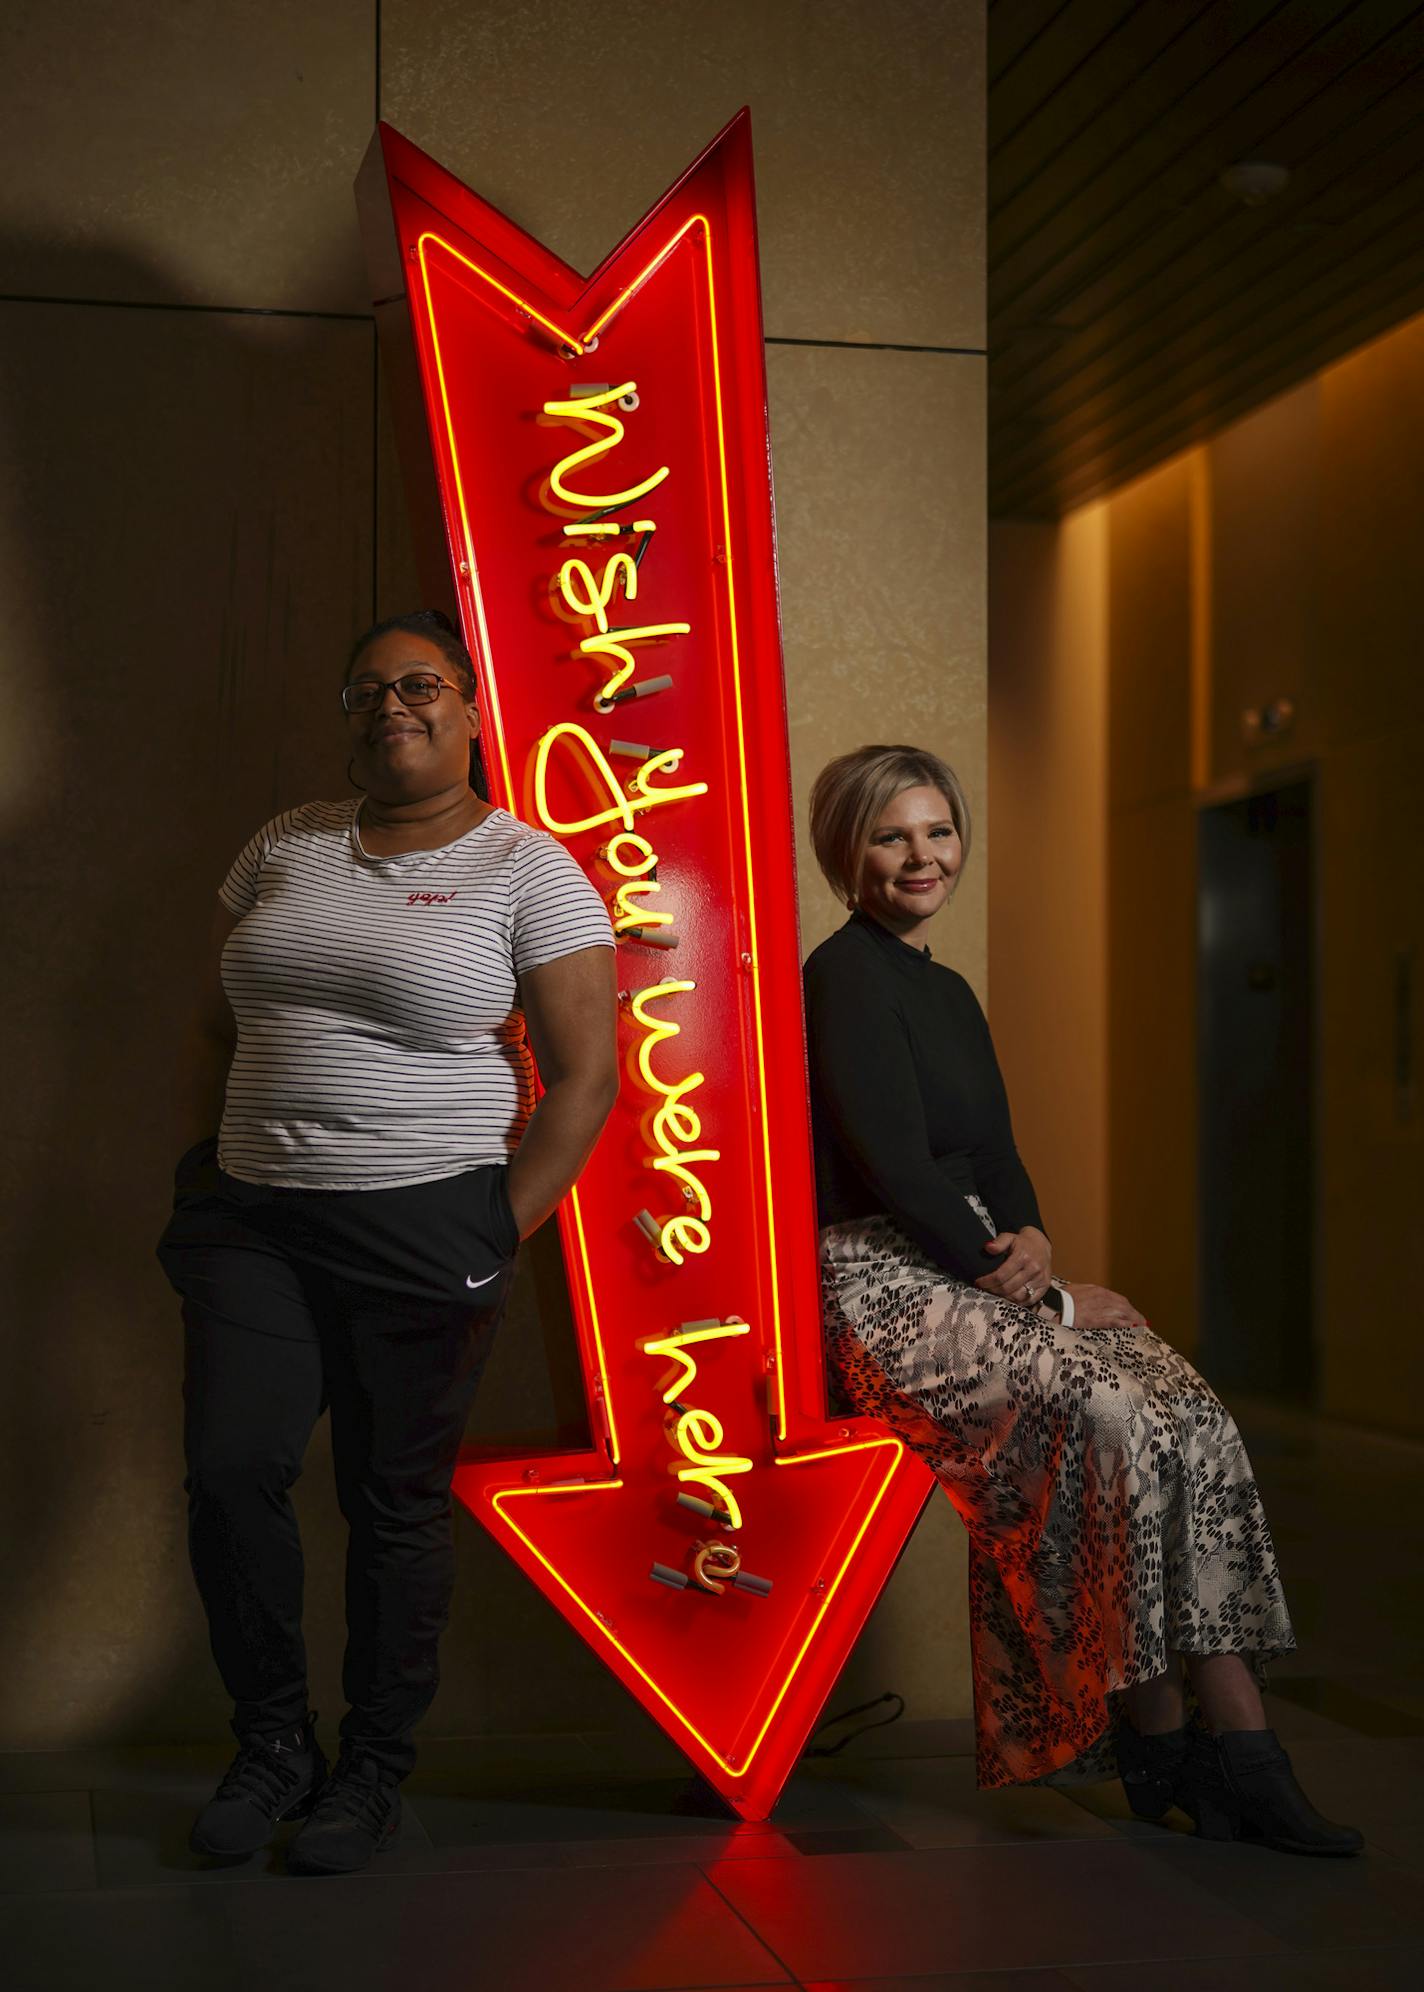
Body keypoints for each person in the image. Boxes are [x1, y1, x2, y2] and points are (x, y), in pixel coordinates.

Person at [802, 743, 1361, 1858]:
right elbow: (898, 1169)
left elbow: (996, 1155)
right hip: (875, 1276)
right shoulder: (838, 978)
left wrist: (1041, 1247)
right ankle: (1153, 1718)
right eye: (890, 835)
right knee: (1106, 1415)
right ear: (846, 854)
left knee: (1184, 1410)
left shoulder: (948, 990)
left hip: (973, 1258)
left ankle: (1231, 1741)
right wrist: (1042, 1304)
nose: (922, 856)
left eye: (937, 830)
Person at [158, 609, 617, 1875]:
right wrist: (201, 1179)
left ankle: (370, 1770)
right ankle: (270, 1746)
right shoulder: (283, 845)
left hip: (428, 1227)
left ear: (472, 712)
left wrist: (495, 1229)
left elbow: (584, 1078)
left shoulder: (531, 869)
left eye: (421, 685)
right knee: (232, 1472)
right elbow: (216, 1027)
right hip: (252, 1221)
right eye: (366, 690)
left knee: (391, 1503)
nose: (392, 706)